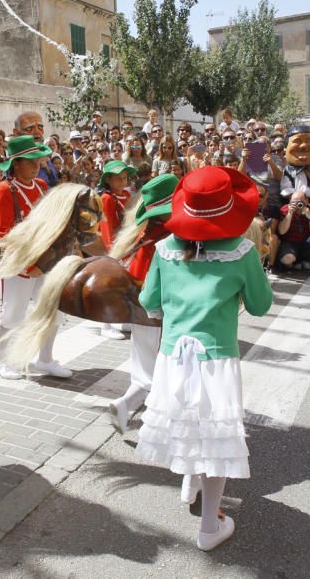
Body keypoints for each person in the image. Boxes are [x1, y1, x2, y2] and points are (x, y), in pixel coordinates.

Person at [135, 166, 273, 551]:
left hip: (173, 355)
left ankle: (189, 482)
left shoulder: (164, 249)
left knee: (187, 422)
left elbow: (148, 303)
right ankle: (209, 527)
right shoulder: (242, 252)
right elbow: (261, 305)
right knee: (216, 437)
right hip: (216, 357)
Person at [0, 116, 70, 380]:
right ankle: (0, 359)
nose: (37, 165)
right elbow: (4, 234)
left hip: (43, 259)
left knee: (51, 307)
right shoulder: (3, 190)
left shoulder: (42, 185)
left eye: (39, 160)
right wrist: (29, 264)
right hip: (17, 261)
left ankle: (45, 358)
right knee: (12, 311)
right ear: (16, 164)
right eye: (31, 161)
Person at [108, 174, 177, 434]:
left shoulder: (145, 235)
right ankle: (159, 427)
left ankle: (124, 405)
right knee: (161, 374)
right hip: (159, 315)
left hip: (141, 315)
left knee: (145, 373)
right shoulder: (168, 239)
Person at [98, 159, 137, 340]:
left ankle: (120, 318)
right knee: (108, 285)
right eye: (118, 178)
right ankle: (105, 324)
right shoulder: (106, 198)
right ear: (108, 180)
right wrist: (111, 249)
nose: (123, 181)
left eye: (125, 178)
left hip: (125, 244)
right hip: (114, 247)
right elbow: (106, 226)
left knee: (122, 285)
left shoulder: (126, 196)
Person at [276, 190, 310, 275]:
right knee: (287, 259)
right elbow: (282, 231)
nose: (297, 205)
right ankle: (291, 266)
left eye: (300, 202)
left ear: (307, 201)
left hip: (307, 243)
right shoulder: (285, 209)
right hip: (290, 242)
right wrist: (289, 214)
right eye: (293, 202)